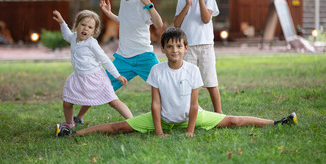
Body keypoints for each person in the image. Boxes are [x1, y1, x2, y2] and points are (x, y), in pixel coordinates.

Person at [56, 28, 297, 137]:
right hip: (159, 120)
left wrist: (191, 130)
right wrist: (158, 130)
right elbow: (155, 105)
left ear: (185, 48)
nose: (174, 50)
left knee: (233, 120)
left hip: (192, 117)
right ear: (162, 49)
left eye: (178, 46)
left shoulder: (192, 71)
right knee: (119, 127)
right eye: (169, 46)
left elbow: (194, 105)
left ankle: (277, 122)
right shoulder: (157, 71)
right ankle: (73, 134)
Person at [53, 10, 133, 129]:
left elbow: (105, 60)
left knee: (113, 101)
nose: (85, 29)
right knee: (67, 102)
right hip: (79, 77)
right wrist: (62, 23)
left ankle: (133, 122)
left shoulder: (92, 44)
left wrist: (117, 76)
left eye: (90, 27)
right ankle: (70, 124)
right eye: (83, 24)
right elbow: (66, 35)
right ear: (77, 25)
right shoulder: (74, 37)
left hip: (95, 78)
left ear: (94, 31)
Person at [99, 0, 163, 91]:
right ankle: (80, 108)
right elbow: (124, 22)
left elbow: (159, 24)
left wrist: (148, 3)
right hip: (123, 58)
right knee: (103, 87)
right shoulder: (123, 1)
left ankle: (193, 108)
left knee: (165, 85)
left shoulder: (143, 3)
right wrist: (109, 14)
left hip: (144, 56)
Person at [174, 0, 222, 114]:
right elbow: (177, 24)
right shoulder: (182, 2)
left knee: (210, 81)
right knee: (187, 82)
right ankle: (192, 111)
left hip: (205, 46)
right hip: (187, 48)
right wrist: (188, 5)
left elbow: (206, 19)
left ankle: (219, 113)